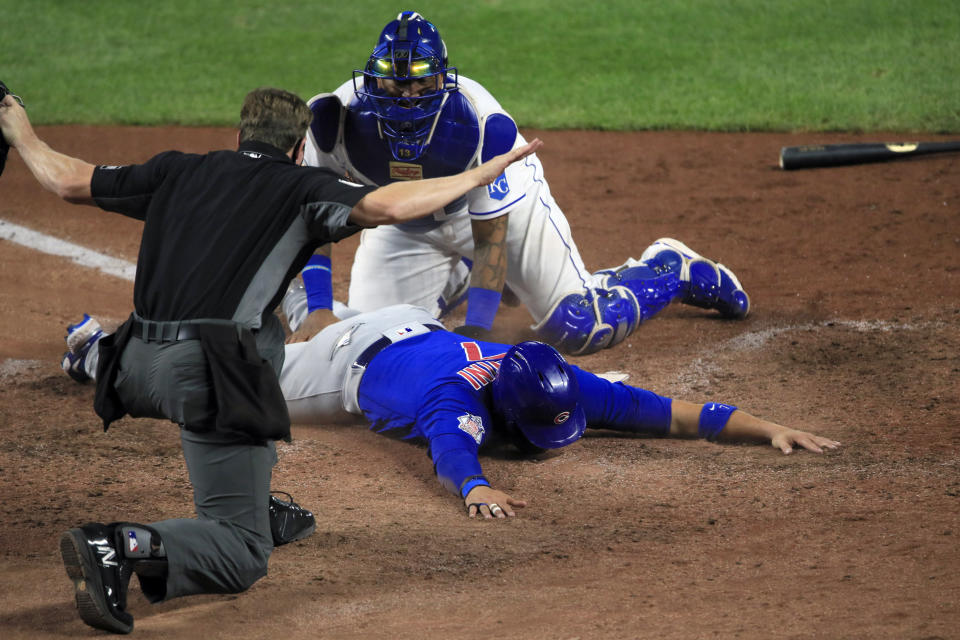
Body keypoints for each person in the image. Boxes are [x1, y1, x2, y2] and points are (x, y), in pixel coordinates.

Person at [0, 84, 540, 634]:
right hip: (208, 377)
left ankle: (255, 500)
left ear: (238, 135)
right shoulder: (305, 185)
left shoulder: (178, 170)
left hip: (130, 367)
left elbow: (67, 180)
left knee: (258, 357)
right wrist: (479, 174)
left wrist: (21, 131)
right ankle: (120, 545)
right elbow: (391, 204)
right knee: (241, 551)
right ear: (300, 146)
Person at [65, 304, 840, 521]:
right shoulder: (457, 401)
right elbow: (452, 456)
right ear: (501, 403)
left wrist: (763, 426)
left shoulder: (559, 379)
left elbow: (668, 413)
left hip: (417, 324)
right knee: (225, 387)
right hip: (347, 364)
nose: (555, 443)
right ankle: (97, 352)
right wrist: (477, 492)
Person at [289, 11, 750, 354]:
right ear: (372, 79)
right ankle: (458, 277)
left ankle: (672, 267)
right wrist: (318, 306)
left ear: (441, 81)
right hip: (404, 226)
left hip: (495, 218)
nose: (406, 97)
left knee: (579, 326)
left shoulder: (482, 125)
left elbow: (491, 239)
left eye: (420, 85)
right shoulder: (334, 122)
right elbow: (317, 217)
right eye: (394, 84)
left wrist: (480, 331)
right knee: (382, 351)